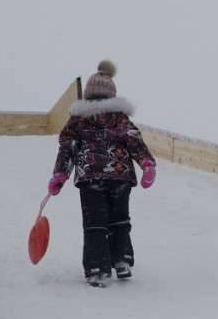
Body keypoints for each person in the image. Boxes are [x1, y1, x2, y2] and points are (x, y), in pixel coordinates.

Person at [47, 60, 156, 287]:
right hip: (120, 177)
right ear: (112, 95)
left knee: (95, 223)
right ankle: (122, 261)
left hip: (91, 178)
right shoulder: (119, 117)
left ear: (88, 95)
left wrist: (60, 175)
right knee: (120, 220)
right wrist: (147, 164)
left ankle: (97, 268)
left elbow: (67, 148)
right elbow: (134, 141)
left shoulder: (77, 120)